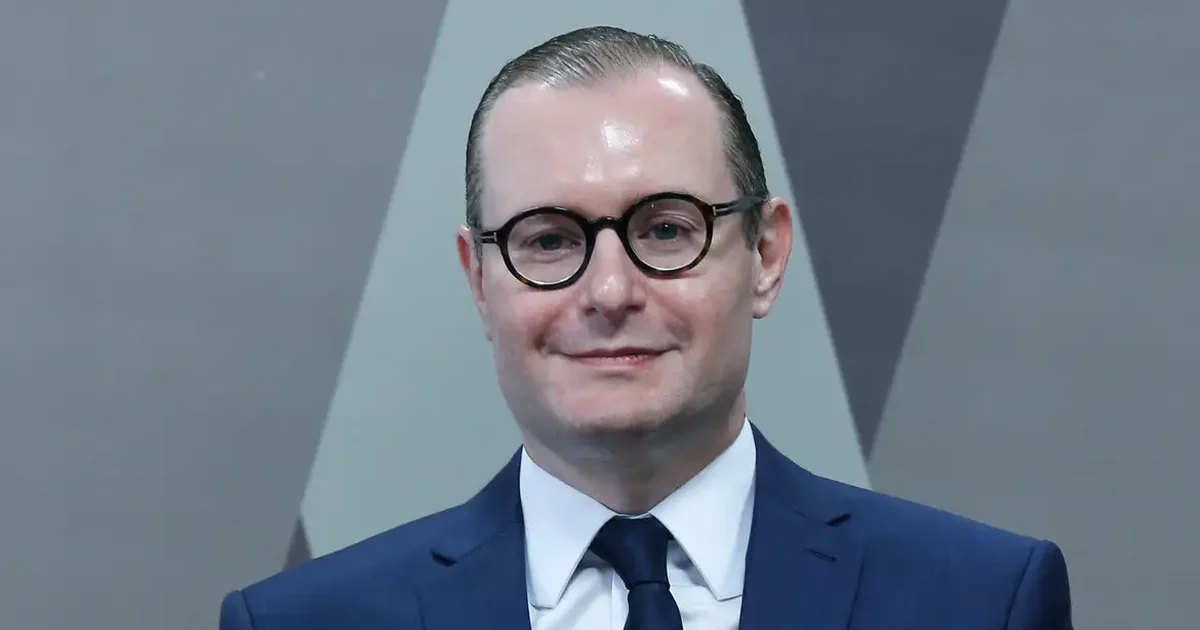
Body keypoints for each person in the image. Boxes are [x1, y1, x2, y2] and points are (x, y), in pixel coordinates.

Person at [219, 25, 1073, 630]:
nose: (609, 290)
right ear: (479, 280)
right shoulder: (303, 623)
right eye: (548, 240)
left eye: (665, 229)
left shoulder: (980, 602)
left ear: (766, 254)